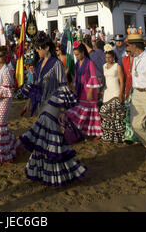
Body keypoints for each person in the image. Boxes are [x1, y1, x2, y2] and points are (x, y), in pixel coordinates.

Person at [20, 34, 87, 187]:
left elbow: (62, 85)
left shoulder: (56, 64)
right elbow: (36, 85)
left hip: (54, 103)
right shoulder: (39, 64)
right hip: (41, 103)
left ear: (47, 48)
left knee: (47, 131)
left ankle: (54, 174)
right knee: (45, 136)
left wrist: (63, 110)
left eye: (39, 48)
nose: (37, 51)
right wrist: (29, 102)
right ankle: (51, 170)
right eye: (36, 48)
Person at [127, 34, 146, 178]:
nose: (127, 48)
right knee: (136, 125)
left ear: (135, 46)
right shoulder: (136, 59)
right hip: (137, 95)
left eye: (129, 45)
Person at [65, 42, 102, 139]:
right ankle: (85, 131)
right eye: (75, 55)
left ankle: (96, 132)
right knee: (83, 111)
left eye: (77, 54)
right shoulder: (77, 64)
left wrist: (90, 92)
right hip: (81, 90)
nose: (76, 56)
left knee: (89, 111)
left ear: (83, 53)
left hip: (90, 90)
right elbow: (76, 77)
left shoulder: (90, 63)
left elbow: (93, 77)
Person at [99, 49, 125, 143]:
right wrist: (100, 90)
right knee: (105, 114)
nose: (108, 59)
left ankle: (118, 137)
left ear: (113, 57)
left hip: (116, 92)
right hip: (107, 92)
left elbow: (122, 81)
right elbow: (103, 79)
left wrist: (121, 93)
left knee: (115, 115)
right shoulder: (104, 66)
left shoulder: (117, 66)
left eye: (109, 57)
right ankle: (108, 136)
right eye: (106, 57)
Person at [122, 41, 140, 143]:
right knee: (128, 112)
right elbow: (125, 75)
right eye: (127, 50)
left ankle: (139, 136)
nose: (128, 52)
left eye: (130, 50)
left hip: (138, 87)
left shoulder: (139, 59)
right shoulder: (125, 59)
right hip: (128, 88)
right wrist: (125, 90)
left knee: (138, 113)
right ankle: (129, 136)